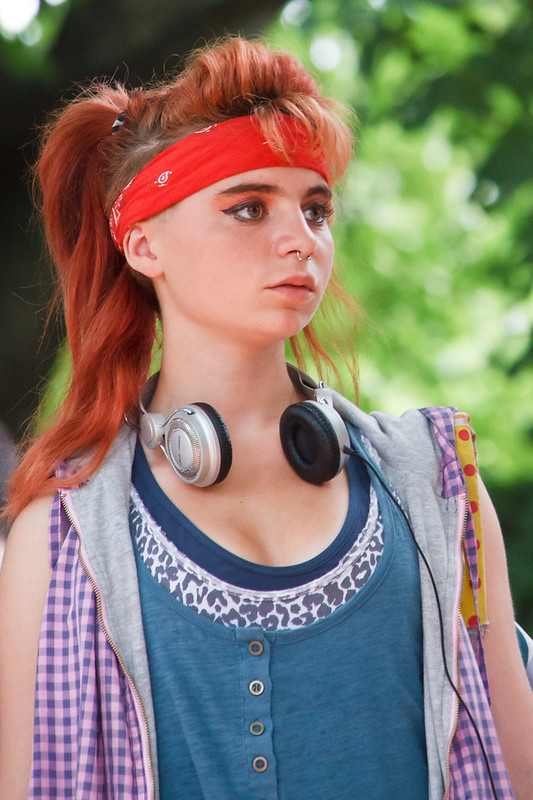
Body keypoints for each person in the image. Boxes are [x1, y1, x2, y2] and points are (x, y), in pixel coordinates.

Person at [0, 36, 531, 800]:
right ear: (143, 243)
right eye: (248, 207)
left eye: (315, 210)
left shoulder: (437, 486)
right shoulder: (63, 532)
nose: (299, 241)